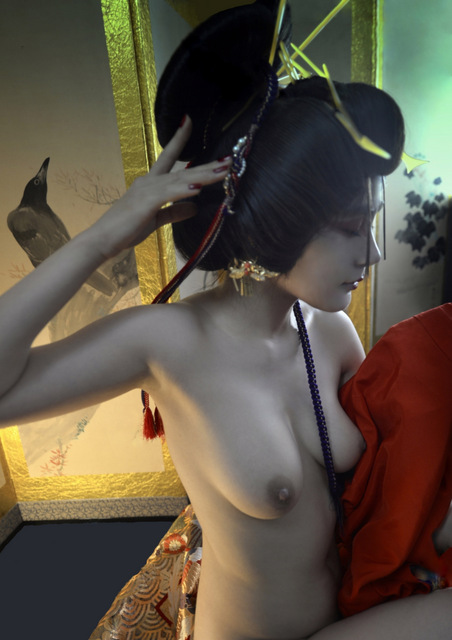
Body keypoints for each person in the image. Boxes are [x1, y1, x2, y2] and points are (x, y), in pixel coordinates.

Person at [1, 2, 451, 639]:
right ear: (280, 221)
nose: (372, 253)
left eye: (371, 224)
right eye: (351, 229)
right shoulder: (169, 342)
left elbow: (382, 479)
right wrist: (103, 238)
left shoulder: (329, 331)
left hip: (345, 616)